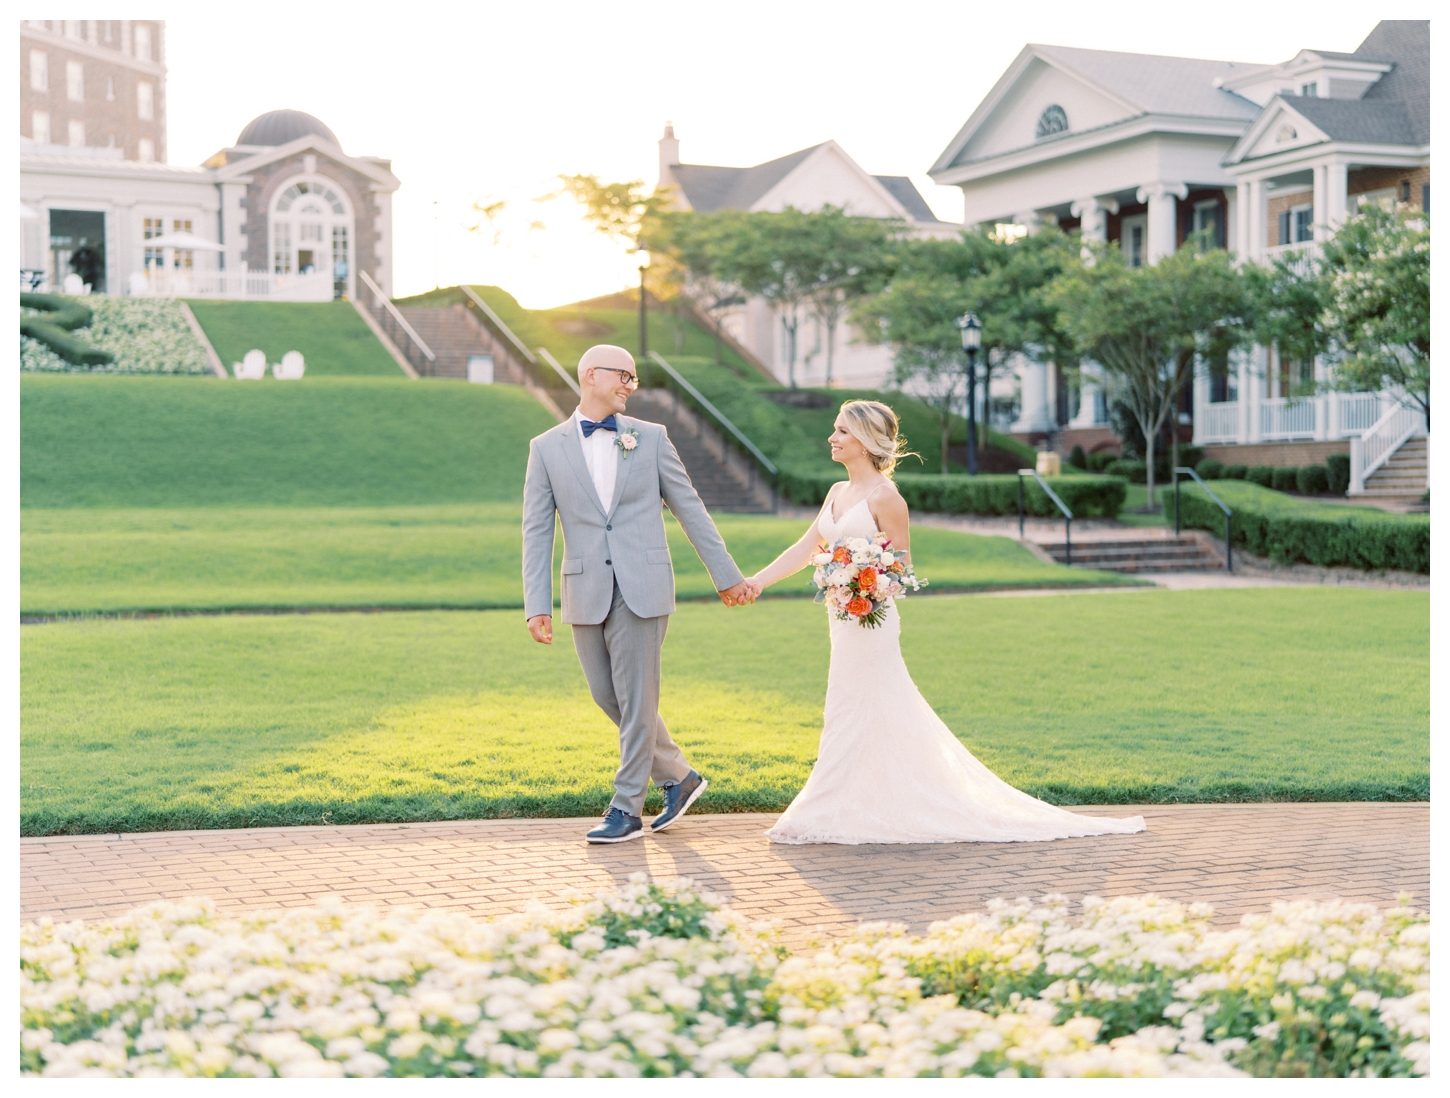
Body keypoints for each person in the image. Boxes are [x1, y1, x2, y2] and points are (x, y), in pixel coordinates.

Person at [741, 400, 1146, 845]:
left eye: (842, 432)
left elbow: (902, 568)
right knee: (846, 709)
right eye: (835, 430)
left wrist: (860, 580)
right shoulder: (837, 492)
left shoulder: (887, 498)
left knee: (857, 708)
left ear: (866, 440)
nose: (832, 438)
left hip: (872, 622)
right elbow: (804, 549)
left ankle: (836, 809)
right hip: (842, 620)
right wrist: (755, 583)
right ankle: (854, 804)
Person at [522, 344, 757, 844]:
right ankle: (679, 776)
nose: (631, 384)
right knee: (609, 697)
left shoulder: (650, 439)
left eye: (635, 377)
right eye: (623, 375)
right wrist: (536, 603)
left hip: (642, 586)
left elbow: (689, 507)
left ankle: (626, 808)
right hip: (583, 587)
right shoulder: (545, 447)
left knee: (637, 698)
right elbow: (536, 530)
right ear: (590, 375)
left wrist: (727, 575)